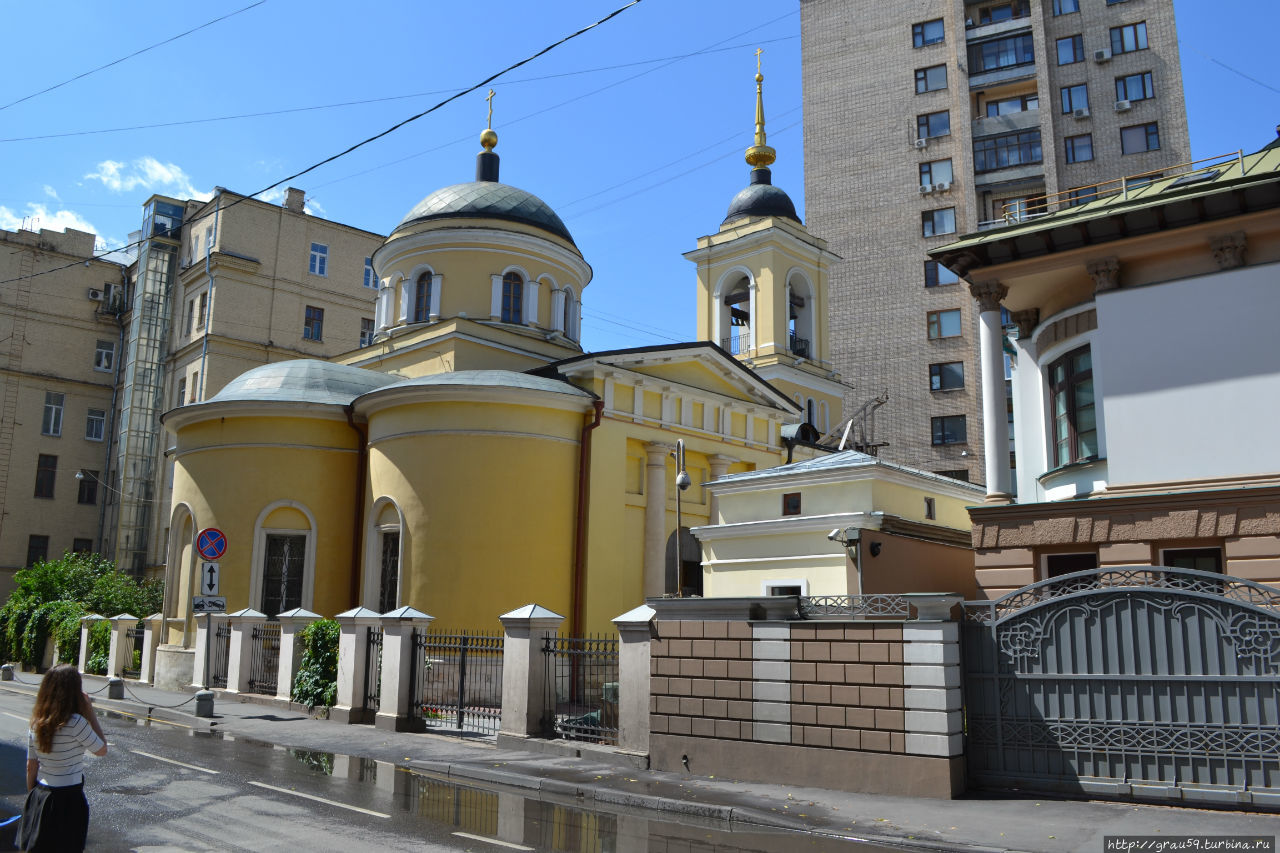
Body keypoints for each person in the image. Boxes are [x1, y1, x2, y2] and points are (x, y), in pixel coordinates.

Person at [18, 664, 108, 852]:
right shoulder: (76, 723)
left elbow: (30, 766)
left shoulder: (36, 723)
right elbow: (101, 749)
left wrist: (33, 798)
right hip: (69, 799)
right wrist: (90, 711)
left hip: (41, 795)